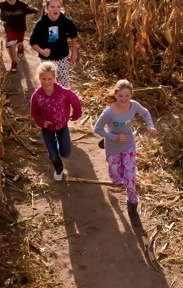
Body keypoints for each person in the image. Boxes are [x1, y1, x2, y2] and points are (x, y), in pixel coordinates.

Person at [94, 80, 158, 227]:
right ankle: (104, 143)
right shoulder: (109, 112)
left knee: (130, 176)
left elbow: (145, 112)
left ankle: (132, 208)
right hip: (112, 144)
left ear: (132, 94)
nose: (124, 99)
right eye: (121, 95)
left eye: (127, 96)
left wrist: (150, 126)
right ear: (115, 95)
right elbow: (97, 129)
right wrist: (113, 137)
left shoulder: (133, 105)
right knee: (116, 178)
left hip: (128, 144)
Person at [30, 62, 82, 181]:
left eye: (50, 79)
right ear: (39, 78)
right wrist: (42, 122)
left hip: (62, 126)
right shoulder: (37, 96)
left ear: (54, 78)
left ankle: (56, 148)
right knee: (53, 155)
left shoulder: (63, 92)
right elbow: (34, 113)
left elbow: (76, 102)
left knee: (65, 153)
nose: (47, 82)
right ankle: (58, 168)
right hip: (47, 129)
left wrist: (76, 114)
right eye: (43, 79)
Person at [29, 0, 78, 87]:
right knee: (47, 84)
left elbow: (73, 36)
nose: (56, 9)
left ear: (61, 8)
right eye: (52, 7)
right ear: (46, 8)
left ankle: (63, 101)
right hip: (47, 61)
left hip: (61, 58)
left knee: (64, 84)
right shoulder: (41, 23)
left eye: (58, 7)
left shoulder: (66, 22)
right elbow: (33, 42)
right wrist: (42, 51)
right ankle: (47, 100)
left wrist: (74, 52)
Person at [0, 0, 38, 72]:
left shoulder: (22, 6)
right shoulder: (2, 4)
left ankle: (20, 46)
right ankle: (14, 62)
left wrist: (35, 12)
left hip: (21, 28)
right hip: (9, 28)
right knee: (11, 44)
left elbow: (34, 10)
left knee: (20, 41)